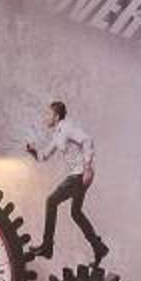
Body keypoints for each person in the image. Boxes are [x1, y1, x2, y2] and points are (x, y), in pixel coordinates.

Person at [26, 100, 105, 263]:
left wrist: (87, 168)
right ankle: (99, 247)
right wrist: (33, 152)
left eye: (48, 114)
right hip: (78, 174)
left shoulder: (67, 128)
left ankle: (47, 246)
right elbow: (44, 156)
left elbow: (87, 140)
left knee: (51, 201)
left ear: (56, 116)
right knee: (76, 213)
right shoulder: (57, 134)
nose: (46, 118)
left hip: (79, 174)